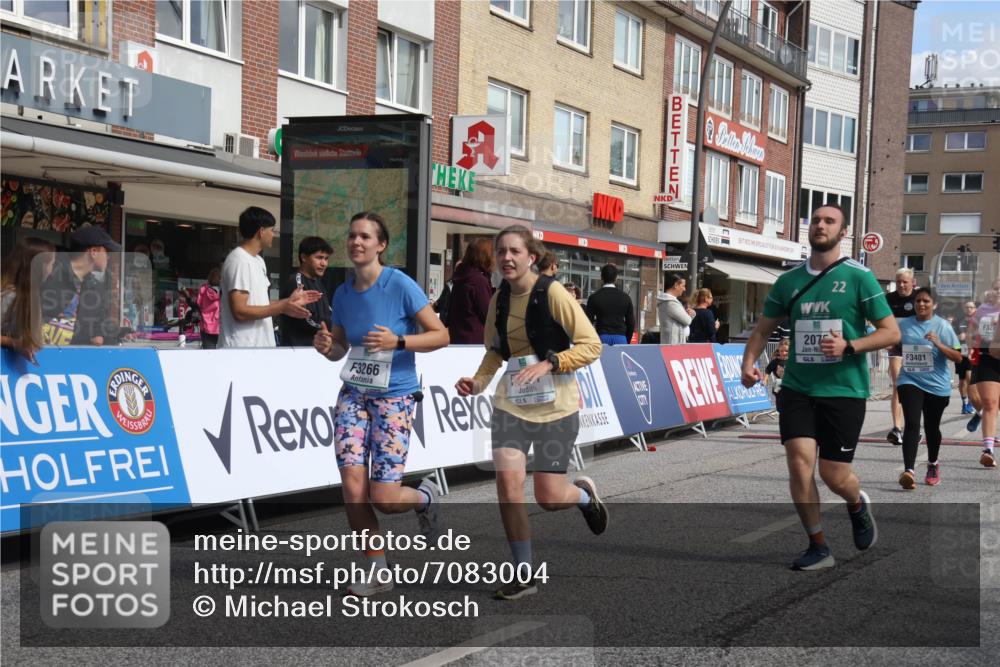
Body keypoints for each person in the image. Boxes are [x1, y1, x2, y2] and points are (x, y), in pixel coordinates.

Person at [741, 204, 899, 571]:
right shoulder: (788, 281)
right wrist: (748, 364)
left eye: (829, 221)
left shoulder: (860, 277)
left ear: (843, 233)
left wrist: (850, 346)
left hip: (844, 389)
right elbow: (763, 330)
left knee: (834, 475)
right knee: (798, 464)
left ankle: (856, 503)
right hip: (798, 386)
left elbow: (891, 332)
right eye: (815, 220)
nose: (820, 225)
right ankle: (818, 545)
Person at [455, 225, 607, 600]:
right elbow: (495, 350)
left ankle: (584, 495)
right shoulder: (498, 299)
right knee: (508, 486)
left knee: (549, 497)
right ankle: (523, 573)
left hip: (556, 408)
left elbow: (592, 346)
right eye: (501, 251)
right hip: (511, 406)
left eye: (514, 251)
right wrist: (478, 382)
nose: (506, 258)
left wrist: (551, 362)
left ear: (531, 257)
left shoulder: (552, 293)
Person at [313, 211, 449, 597]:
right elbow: (339, 347)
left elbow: (442, 335)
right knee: (352, 487)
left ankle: (424, 498)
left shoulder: (400, 285)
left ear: (381, 245)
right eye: (352, 236)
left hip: (395, 397)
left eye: (365, 237)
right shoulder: (341, 293)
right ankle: (377, 569)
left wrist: (399, 341)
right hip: (354, 395)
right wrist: (327, 347)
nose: (356, 242)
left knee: (385, 499)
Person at [218, 207, 320, 349]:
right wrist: (283, 307)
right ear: (261, 231)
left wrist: (289, 302)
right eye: (272, 230)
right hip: (241, 350)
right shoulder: (239, 260)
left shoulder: (258, 261)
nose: (274, 233)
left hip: (259, 349)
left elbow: (260, 302)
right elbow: (239, 311)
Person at [895, 287, 962, 488]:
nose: (921, 304)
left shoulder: (943, 326)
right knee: (912, 423)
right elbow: (895, 344)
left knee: (932, 428)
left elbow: (958, 357)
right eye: (918, 301)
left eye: (925, 301)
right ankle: (909, 471)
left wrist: (939, 344)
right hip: (910, 379)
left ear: (934, 304)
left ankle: (933, 463)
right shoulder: (904, 325)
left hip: (936, 385)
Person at [40, 225, 121, 346]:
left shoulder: (95, 287)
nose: (108, 257)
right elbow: (26, 317)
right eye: (106, 251)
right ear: (93, 252)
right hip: (37, 357)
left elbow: (96, 327)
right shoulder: (49, 273)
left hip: (73, 360)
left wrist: (119, 333)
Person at [1, 237, 57, 362]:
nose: (52, 270)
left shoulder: (29, 296)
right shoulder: (8, 296)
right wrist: (14, 343)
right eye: (51, 264)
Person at [279, 236, 333, 347]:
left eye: (326, 258)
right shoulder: (296, 282)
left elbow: (327, 312)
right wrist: (336, 329)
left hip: (315, 350)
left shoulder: (318, 283)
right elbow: (307, 320)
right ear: (303, 257)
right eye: (319, 257)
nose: (324, 263)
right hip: (297, 351)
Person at [968, 281, 1000, 467]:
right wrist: (973, 340)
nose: (998, 292)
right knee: (989, 403)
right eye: (996, 288)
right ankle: (988, 449)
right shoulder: (983, 310)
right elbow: (972, 329)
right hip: (987, 357)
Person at [885, 267, 916, 446]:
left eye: (905, 282)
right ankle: (897, 429)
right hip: (896, 346)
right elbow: (880, 319)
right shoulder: (889, 299)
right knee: (898, 385)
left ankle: (913, 426)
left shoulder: (919, 299)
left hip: (916, 348)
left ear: (912, 282)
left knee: (915, 387)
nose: (901, 285)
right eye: (898, 282)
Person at [447, 239, 495, 344]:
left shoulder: (461, 277)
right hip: (476, 339)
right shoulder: (478, 281)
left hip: (458, 336)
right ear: (486, 256)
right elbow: (488, 315)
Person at [585, 263, 635, 346]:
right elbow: (631, 323)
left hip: (601, 337)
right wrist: (626, 340)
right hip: (620, 338)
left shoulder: (594, 297)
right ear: (616, 278)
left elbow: (588, 322)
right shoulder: (626, 298)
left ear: (601, 277)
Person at [658, 274, 695, 345]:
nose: (684, 289)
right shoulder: (671, 303)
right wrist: (691, 315)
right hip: (674, 344)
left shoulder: (669, 301)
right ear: (675, 285)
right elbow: (687, 320)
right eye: (683, 286)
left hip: (674, 343)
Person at [955, 301, 977, 415]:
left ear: (975, 309)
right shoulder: (959, 321)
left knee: (970, 377)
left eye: (971, 307)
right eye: (967, 307)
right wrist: (958, 336)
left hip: (973, 351)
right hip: (960, 352)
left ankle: (971, 403)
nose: (969, 309)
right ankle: (964, 404)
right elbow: (951, 335)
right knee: (962, 380)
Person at [196, 267, 221, 349]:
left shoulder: (203, 289)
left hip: (205, 327)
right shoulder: (224, 292)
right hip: (220, 327)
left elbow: (198, 304)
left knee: (208, 354)